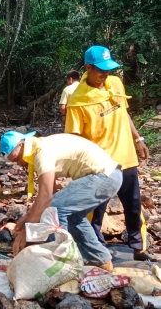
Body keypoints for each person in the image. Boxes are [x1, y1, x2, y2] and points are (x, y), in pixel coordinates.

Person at [65, 45, 155, 261]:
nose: (105, 74)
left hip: (126, 157)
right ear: (88, 67)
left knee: (133, 206)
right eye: (101, 70)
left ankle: (138, 248)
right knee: (95, 210)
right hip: (100, 165)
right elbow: (75, 139)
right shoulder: (78, 101)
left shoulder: (114, 83)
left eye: (108, 70)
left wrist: (138, 139)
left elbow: (124, 112)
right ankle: (97, 251)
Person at [0, 131, 123, 271]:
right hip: (111, 176)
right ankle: (101, 261)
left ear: (21, 145)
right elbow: (48, 194)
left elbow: (47, 198)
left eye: (17, 159)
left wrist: (27, 231)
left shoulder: (41, 152)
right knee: (73, 217)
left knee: (55, 210)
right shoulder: (39, 147)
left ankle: (62, 263)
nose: (20, 164)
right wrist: (28, 217)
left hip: (104, 177)